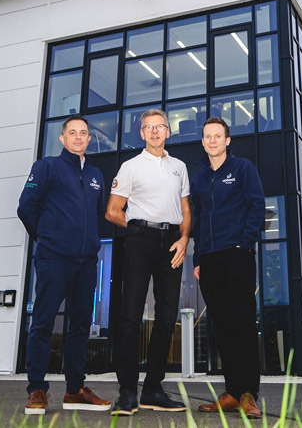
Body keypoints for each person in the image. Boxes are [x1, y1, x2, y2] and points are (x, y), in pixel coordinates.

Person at [17, 114, 111, 415]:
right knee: (43, 321)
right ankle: (37, 390)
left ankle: (74, 390)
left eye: (84, 133)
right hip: (53, 258)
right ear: (63, 138)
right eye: (73, 132)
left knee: (80, 325)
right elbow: (25, 207)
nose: (79, 137)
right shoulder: (47, 167)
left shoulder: (96, 175)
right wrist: (47, 238)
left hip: (85, 263)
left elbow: (95, 215)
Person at [105, 109, 191, 415]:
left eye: (160, 127)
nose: (154, 131)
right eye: (148, 128)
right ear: (142, 134)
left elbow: (185, 208)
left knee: (167, 317)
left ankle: (153, 389)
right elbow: (113, 211)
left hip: (172, 243)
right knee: (130, 313)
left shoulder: (180, 167)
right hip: (140, 239)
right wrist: (140, 230)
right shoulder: (130, 167)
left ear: (168, 131)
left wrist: (183, 239)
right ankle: (127, 391)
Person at [189, 116, 266, 418]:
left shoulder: (243, 169)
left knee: (243, 323)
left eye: (217, 136)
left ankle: (249, 394)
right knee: (221, 326)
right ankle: (232, 392)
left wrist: (244, 243)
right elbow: (196, 218)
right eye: (207, 136)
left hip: (237, 255)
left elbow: (257, 206)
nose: (212, 141)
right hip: (208, 259)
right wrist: (197, 258)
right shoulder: (199, 177)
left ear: (227, 140)